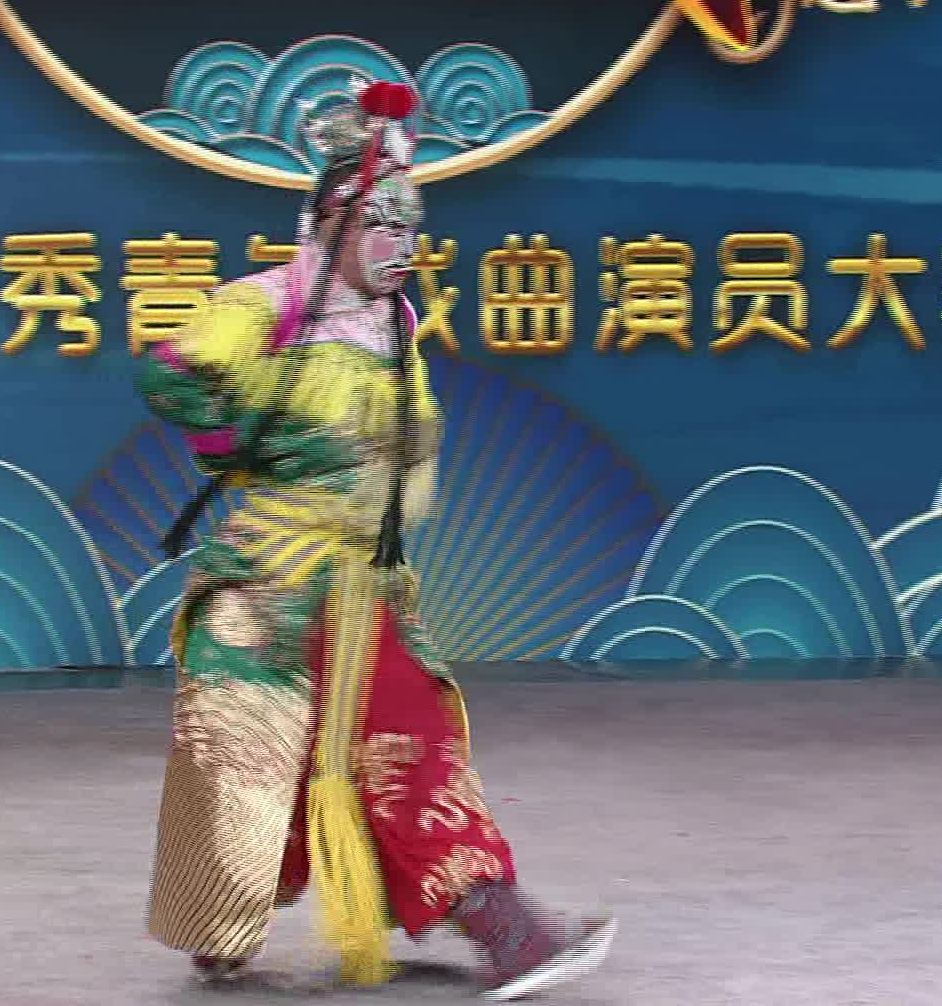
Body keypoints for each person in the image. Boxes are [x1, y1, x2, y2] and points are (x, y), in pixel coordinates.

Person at [136, 80, 615, 1000]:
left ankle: (498, 925)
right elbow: (173, 375)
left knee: (401, 739)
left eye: (410, 228)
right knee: (256, 755)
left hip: (365, 577)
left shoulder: (393, 322)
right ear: (329, 223)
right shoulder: (265, 302)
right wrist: (251, 446)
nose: (402, 246)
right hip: (273, 578)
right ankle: (229, 931)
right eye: (381, 226)